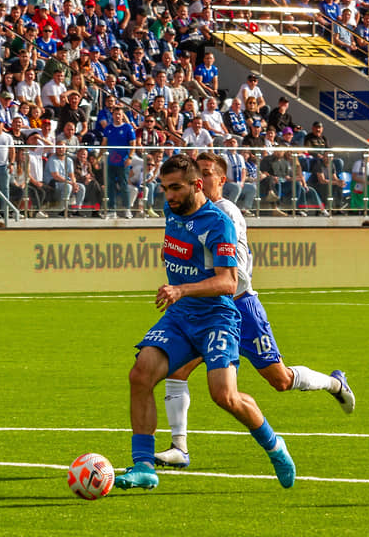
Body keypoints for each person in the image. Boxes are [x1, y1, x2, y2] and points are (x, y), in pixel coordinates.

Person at [153, 153, 356, 469]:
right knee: (177, 369)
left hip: (240, 307)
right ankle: (179, 446)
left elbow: (234, 276)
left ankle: (334, 384)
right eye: (200, 173)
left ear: (221, 180)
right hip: (204, 310)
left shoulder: (225, 216)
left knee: (280, 379)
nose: (202, 179)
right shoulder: (187, 214)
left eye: (208, 174)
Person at [114, 154, 296, 492]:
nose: (168, 196)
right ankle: (143, 467)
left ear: (197, 185)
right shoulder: (173, 212)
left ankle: (275, 446)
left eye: (176, 188)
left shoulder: (218, 223)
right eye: (165, 188)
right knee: (140, 374)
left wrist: (180, 288)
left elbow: (228, 282)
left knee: (224, 396)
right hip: (182, 317)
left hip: (217, 318)